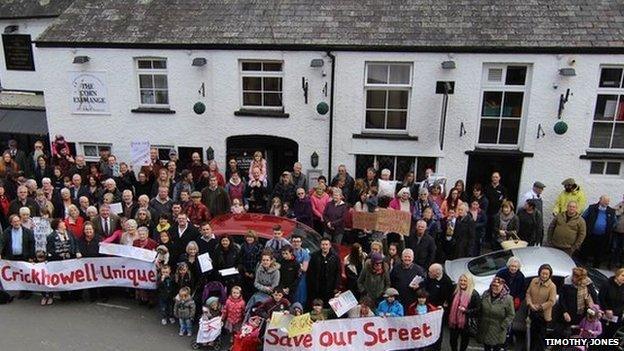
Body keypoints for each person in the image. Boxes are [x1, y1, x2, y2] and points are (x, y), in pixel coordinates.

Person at [0, 214, 35, 299]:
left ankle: (28, 292)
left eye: (18, 221)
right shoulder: (7, 232)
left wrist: (31, 257)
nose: (16, 223)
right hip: (12, 258)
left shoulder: (27, 231)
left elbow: (32, 244)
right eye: (14, 222)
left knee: (26, 275)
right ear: (11, 223)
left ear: (20, 221)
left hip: (24, 257)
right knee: (18, 277)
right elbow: (2, 243)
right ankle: (21, 292)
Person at [525, 264, 557, 351]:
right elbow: (528, 293)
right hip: (531, 311)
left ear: (549, 275)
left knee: (540, 337)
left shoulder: (552, 286)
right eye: (543, 273)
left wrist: (540, 307)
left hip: (542, 315)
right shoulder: (534, 281)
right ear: (539, 273)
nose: (544, 276)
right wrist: (530, 304)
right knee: (531, 334)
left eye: (546, 274)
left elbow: (552, 301)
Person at [478, 277, 515, 351]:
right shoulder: (486, 294)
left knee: (496, 348)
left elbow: (511, 315)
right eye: (493, 285)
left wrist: (503, 325)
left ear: (503, 286)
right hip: (485, 327)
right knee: (486, 347)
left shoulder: (508, 299)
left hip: (498, 329)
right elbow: (480, 308)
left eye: (498, 286)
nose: (495, 287)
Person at [580, 195, 616, 268]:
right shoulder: (592, 208)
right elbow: (583, 217)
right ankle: (582, 267)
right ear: (600, 200)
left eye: (608, 201)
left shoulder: (611, 211)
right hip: (590, 234)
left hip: (603, 237)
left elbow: (614, 222)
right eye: (605, 201)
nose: (607, 203)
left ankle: (596, 268)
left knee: (599, 254)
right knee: (585, 251)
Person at [448, 273, 481, 351]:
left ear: (469, 282)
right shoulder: (455, 290)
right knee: (452, 340)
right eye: (461, 280)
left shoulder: (474, 294)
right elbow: (450, 303)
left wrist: (466, 311)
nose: (462, 282)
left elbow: (478, 309)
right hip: (453, 321)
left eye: (465, 281)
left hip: (466, 322)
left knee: (464, 340)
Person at [245, 250, 281, 320]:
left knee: (262, 303)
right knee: (254, 299)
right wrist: (265, 288)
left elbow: (274, 287)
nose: (265, 262)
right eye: (263, 260)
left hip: (270, 295)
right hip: (260, 292)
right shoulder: (259, 269)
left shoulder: (276, 272)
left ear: (271, 261)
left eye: (267, 260)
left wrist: (266, 288)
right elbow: (256, 283)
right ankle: (248, 318)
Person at [307, 237, 340, 308]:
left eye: (326, 244)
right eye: (323, 244)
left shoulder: (335, 257)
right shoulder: (314, 256)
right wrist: (311, 285)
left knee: (327, 306)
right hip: (317, 287)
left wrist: (336, 287)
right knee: (316, 306)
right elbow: (310, 272)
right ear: (320, 245)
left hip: (329, 288)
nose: (324, 246)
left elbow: (338, 273)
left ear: (330, 245)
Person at [237, 230, 263, 301]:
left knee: (253, 290)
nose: (249, 239)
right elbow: (241, 259)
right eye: (248, 237)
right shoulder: (242, 246)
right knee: (244, 290)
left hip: (255, 273)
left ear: (254, 238)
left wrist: (253, 273)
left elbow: (259, 261)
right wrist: (245, 271)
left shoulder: (259, 246)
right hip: (244, 272)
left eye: (251, 237)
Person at [599, 268, 624, 338]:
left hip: (617, 316)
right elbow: (601, 298)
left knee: (610, 336)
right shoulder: (607, 284)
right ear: (617, 275)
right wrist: (606, 309)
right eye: (623, 275)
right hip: (604, 314)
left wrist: (619, 312)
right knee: (601, 334)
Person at [291, 234, 310, 307]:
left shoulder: (305, 253)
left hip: (300, 278)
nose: (296, 243)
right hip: (291, 277)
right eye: (294, 241)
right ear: (291, 242)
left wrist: (294, 265)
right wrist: (299, 265)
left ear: (301, 242)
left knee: (300, 297)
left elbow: (305, 269)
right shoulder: (289, 251)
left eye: (298, 241)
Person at [611, 195, 624, 269]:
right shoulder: (620, 204)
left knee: (621, 248)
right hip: (617, 230)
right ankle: (612, 263)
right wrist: (620, 210)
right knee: (614, 247)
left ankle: (619, 264)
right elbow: (613, 211)